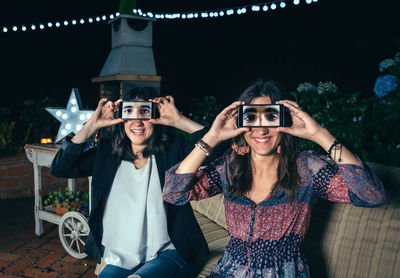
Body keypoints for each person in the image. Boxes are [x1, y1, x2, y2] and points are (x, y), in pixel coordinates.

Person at [162, 80, 387, 278]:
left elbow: (371, 195)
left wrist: (319, 134)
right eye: (251, 118)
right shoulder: (230, 168)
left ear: (284, 121)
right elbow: (174, 193)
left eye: (270, 117)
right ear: (241, 124)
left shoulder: (305, 167)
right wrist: (212, 136)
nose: (261, 129)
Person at [50, 86, 217, 278]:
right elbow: (60, 168)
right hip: (125, 256)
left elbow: (221, 148)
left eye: (145, 112)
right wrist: (92, 125)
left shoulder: (173, 149)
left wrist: (179, 121)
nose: (137, 121)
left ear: (156, 117)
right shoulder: (108, 153)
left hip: (173, 250)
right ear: (121, 118)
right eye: (129, 112)